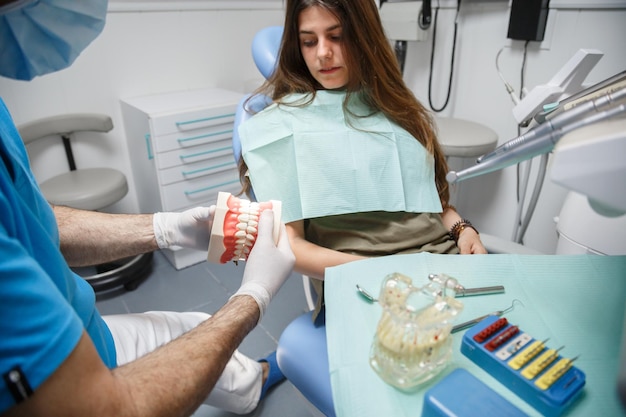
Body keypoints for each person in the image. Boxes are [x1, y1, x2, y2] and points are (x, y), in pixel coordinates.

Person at [0, 95, 296, 416]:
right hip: (68, 381)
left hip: (84, 327)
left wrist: (166, 228)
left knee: (192, 328)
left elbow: (36, 221)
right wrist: (253, 297)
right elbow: (105, 409)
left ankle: (255, 382)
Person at [236, 0, 487, 320]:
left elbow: (433, 203)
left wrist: (463, 230)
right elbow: (289, 246)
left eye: (337, 36)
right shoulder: (283, 126)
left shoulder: (397, 109)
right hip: (365, 284)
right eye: (309, 42)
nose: (322, 53)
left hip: (443, 264)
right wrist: (379, 273)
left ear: (364, 37)